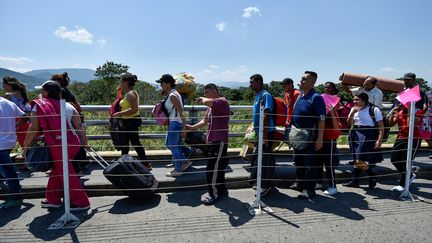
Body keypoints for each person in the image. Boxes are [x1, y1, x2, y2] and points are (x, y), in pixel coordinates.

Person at [23, 81, 90, 210]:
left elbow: (33, 128)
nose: (40, 93)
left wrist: (26, 146)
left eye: (42, 91)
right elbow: (79, 126)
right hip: (73, 142)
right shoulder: (68, 106)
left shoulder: (39, 106)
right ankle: (53, 200)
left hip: (58, 144)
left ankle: (82, 203)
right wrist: (85, 143)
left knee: (66, 173)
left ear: (46, 92)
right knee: (58, 171)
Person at [186, 83, 230, 205]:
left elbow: (208, 101)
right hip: (212, 140)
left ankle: (213, 194)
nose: (204, 94)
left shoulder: (221, 101)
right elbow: (204, 121)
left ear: (214, 91)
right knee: (218, 168)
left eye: (206, 92)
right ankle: (222, 190)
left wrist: (203, 99)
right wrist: (191, 127)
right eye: (204, 93)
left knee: (212, 169)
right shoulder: (210, 107)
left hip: (219, 140)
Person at [289, 71, 326, 199]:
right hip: (297, 135)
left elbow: (322, 119)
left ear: (312, 82)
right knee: (298, 161)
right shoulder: (300, 96)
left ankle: (310, 190)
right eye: (301, 78)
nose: (301, 81)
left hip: (309, 136)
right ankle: (300, 183)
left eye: (304, 79)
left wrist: (320, 138)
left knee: (309, 164)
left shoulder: (316, 97)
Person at [343, 93, 384, 189]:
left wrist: (379, 140)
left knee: (359, 160)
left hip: (367, 134)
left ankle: (372, 175)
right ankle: (355, 181)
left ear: (364, 100)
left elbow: (381, 126)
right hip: (355, 133)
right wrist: (353, 112)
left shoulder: (374, 109)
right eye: (354, 100)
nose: (354, 102)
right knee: (356, 158)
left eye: (357, 100)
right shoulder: (354, 109)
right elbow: (349, 122)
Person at [111, 73, 150, 170]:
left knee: (135, 143)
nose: (120, 83)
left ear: (126, 83)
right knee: (126, 143)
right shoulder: (129, 93)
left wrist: (119, 114)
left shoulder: (131, 94)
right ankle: (125, 163)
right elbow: (123, 103)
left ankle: (145, 164)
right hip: (127, 122)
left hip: (130, 122)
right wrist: (119, 93)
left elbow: (134, 109)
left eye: (121, 81)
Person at [51, 72, 87, 173]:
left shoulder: (59, 93)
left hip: (65, 123)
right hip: (73, 120)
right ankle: (82, 163)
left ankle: (71, 168)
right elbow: (77, 106)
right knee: (75, 142)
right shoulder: (69, 92)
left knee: (66, 146)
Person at [248, 74, 276, 197]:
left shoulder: (265, 95)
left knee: (265, 159)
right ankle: (260, 182)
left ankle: (265, 186)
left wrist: (264, 136)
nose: (250, 85)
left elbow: (266, 115)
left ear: (259, 82)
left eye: (252, 82)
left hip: (266, 132)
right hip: (260, 132)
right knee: (259, 157)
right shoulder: (258, 95)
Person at [156, 74, 189, 177]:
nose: (160, 85)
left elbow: (181, 111)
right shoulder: (172, 94)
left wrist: (185, 128)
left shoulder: (173, 95)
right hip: (174, 122)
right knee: (171, 144)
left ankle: (179, 168)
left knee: (172, 146)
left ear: (168, 84)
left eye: (162, 83)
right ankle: (182, 162)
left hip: (175, 123)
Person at [388, 102, 423, 192]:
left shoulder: (418, 112)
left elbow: (409, 124)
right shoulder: (400, 112)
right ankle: (410, 175)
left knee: (407, 160)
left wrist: (409, 110)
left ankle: (404, 184)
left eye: (401, 102)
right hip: (401, 137)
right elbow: (391, 124)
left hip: (414, 139)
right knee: (394, 159)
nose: (399, 103)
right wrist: (393, 114)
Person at [0, 96, 26, 208]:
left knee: (8, 169)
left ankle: (15, 196)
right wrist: (14, 126)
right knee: (6, 167)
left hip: (1, 142)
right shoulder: (8, 102)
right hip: (10, 140)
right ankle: (14, 189)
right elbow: (24, 116)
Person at [316, 82, 341, 195]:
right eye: (325, 87)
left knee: (329, 163)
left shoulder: (333, 107)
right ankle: (319, 182)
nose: (326, 89)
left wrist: (331, 112)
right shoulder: (322, 103)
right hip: (320, 138)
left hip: (329, 138)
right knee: (319, 162)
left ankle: (333, 185)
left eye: (328, 87)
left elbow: (336, 126)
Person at [2, 77, 31, 159]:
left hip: (15, 121)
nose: (3, 87)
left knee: (6, 143)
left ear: (9, 85)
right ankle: (27, 163)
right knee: (24, 144)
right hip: (26, 121)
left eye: (3, 84)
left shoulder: (8, 96)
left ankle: (5, 163)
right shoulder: (23, 93)